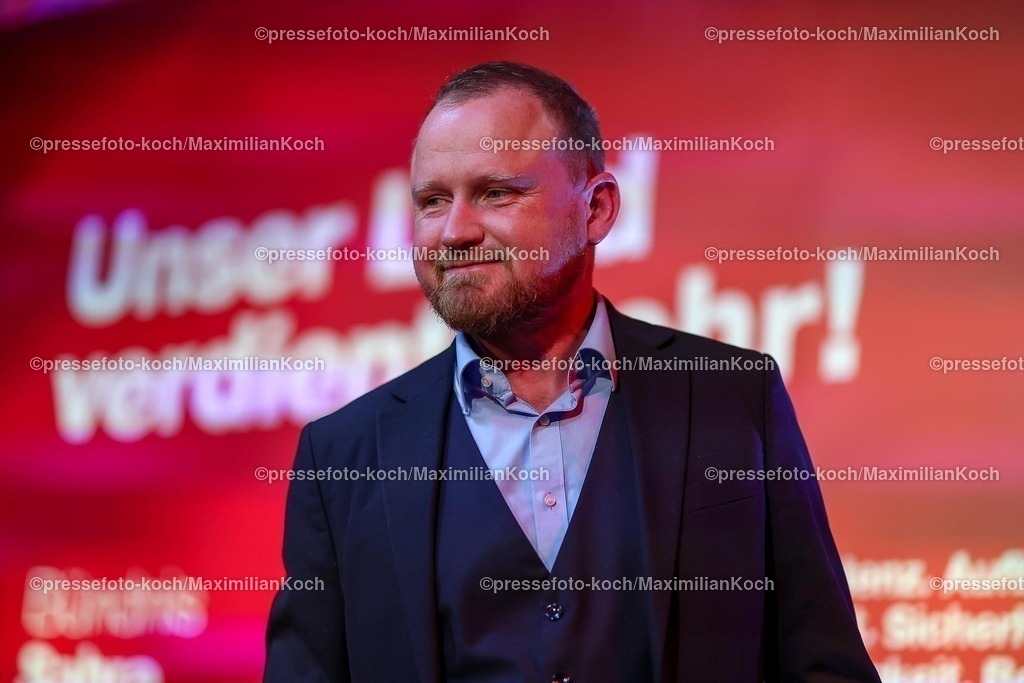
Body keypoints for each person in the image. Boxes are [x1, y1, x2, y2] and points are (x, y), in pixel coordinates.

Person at [264, 61, 880, 682]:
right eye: (431, 201)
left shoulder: (731, 397)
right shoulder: (343, 454)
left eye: (496, 193)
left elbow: (823, 665)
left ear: (598, 210)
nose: (454, 231)